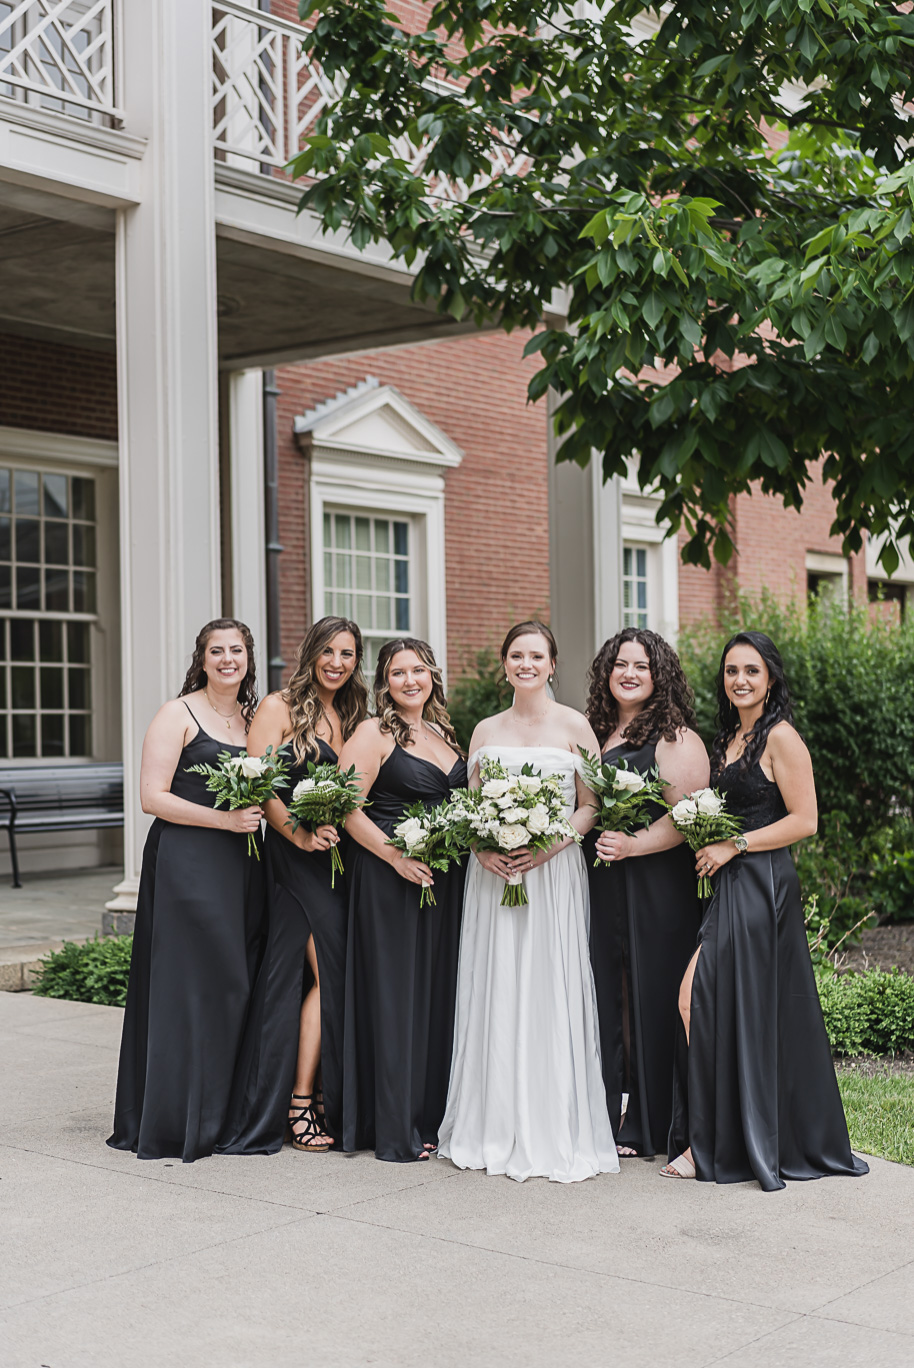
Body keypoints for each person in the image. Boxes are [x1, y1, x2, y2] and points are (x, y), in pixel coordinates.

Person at [665, 631, 868, 1189]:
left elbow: (806, 820)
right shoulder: (731, 735)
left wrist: (736, 844)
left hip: (763, 886)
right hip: (729, 885)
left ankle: (712, 1144)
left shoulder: (781, 737)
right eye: (732, 671)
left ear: (770, 678)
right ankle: (715, 1139)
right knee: (718, 1006)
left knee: (697, 999)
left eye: (751, 671)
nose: (740, 680)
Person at [438, 621, 619, 1183]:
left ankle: (552, 1123)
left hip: (553, 874)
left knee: (549, 983)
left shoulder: (576, 725)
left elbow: (591, 805)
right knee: (496, 986)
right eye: (516, 655)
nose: (525, 664)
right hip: (493, 877)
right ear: (505, 663)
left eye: (535, 655)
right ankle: (490, 1122)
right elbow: (470, 808)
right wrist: (480, 848)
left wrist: (549, 844)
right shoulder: (486, 729)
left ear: (552, 663)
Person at [108, 619, 265, 1163]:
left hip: (244, 865)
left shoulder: (253, 718)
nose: (227, 659)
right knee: (189, 985)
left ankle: (221, 1114)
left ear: (249, 658)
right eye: (216, 651)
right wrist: (223, 822)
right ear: (201, 659)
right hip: (187, 862)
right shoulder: (177, 714)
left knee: (233, 984)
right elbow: (152, 797)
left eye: (236, 650)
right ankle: (176, 1120)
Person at [217, 617, 368, 1156]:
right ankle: (300, 1100)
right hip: (292, 860)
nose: (337, 662)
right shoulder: (278, 706)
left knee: (327, 976)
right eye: (328, 651)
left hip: (338, 858)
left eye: (347, 654)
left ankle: (316, 1093)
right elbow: (257, 785)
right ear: (310, 653)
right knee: (327, 972)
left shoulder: (353, 713)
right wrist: (298, 835)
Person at [339, 637, 467, 1163]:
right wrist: (395, 857)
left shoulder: (444, 733)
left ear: (432, 675)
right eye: (398, 672)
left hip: (445, 885)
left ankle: (429, 1117)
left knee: (436, 998)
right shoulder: (373, 733)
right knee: (396, 999)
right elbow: (346, 809)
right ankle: (394, 1128)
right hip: (390, 880)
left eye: (418, 670)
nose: (410, 680)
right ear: (383, 682)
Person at [586, 628, 709, 1157]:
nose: (629, 673)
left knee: (653, 990)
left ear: (659, 676)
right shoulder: (596, 731)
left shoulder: (674, 736)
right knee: (610, 992)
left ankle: (655, 1118)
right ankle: (614, 1108)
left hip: (658, 881)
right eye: (620, 664)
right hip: (604, 879)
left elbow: (691, 814)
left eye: (641, 665)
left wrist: (635, 845)